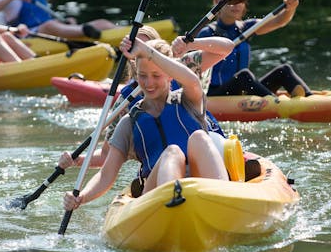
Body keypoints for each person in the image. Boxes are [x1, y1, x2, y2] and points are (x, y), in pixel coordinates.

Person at [62, 36, 230, 210]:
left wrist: (146, 50)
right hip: (155, 194)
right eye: (143, 76)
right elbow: (106, 175)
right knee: (172, 152)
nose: (149, 83)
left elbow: (193, 81)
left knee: (200, 137)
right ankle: (173, 204)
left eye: (156, 75)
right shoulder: (129, 122)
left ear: (170, 76)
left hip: (201, 184)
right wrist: (81, 197)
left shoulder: (188, 100)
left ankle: (224, 199)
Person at [58, 26, 234, 170]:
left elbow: (226, 47)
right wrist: (77, 160)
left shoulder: (185, 65)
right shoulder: (126, 100)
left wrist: (191, 44)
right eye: (137, 47)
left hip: (210, 149)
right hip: (166, 167)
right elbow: (107, 155)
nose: (142, 52)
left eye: (147, 47)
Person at [198, 0, 312, 97]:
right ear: (217, 2)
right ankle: (275, 104)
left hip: (244, 88)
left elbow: (279, 21)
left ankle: (310, 99)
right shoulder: (207, 34)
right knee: (243, 76)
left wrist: (291, 7)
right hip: (215, 94)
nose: (237, 4)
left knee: (284, 71)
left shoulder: (246, 28)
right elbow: (192, 69)